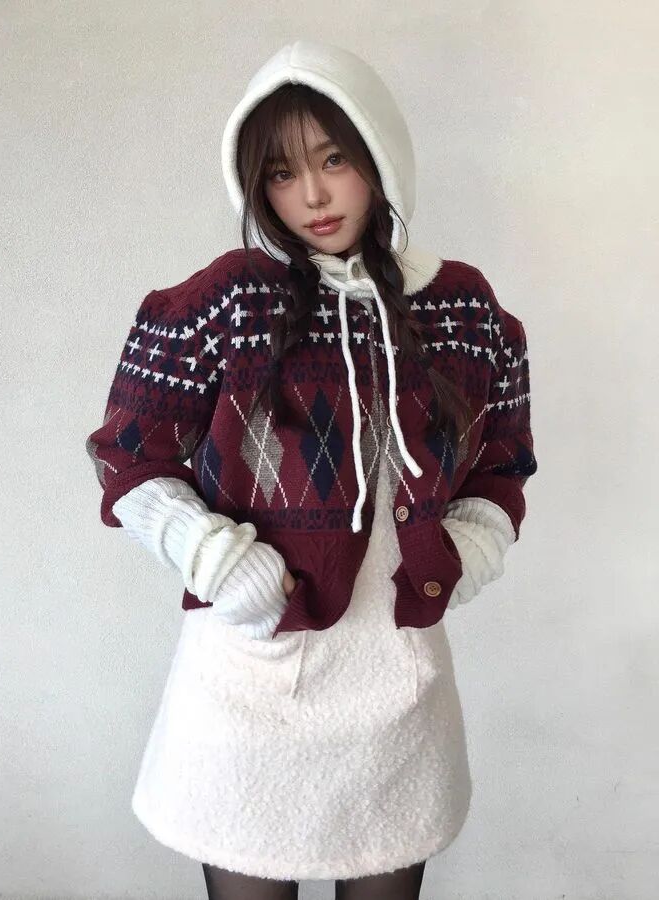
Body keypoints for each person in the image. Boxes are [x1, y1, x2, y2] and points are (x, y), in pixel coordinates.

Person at [85, 39, 538, 899]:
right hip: (248, 681)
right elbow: (128, 455)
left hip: (398, 683)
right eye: (283, 172)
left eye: (334, 160)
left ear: (380, 154)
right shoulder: (225, 303)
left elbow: (503, 459)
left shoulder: (464, 309)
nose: (314, 196)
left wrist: (475, 543)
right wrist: (215, 558)